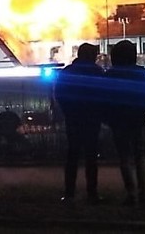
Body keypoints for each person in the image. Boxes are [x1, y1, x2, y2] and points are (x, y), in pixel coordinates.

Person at [103, 40, 145, 206]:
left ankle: (131, 193)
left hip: (118, 121)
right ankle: (144, 192)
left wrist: (108, 118)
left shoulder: (110, 74)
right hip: (137, 119)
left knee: (124, 157)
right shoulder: (142, 73)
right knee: (139, 156)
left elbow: (106, 99)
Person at [54, 42, 105, 204]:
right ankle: (92, 193)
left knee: (72, 157)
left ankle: (69, 193)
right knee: (91, 158)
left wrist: (68, 112)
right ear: (90, 55)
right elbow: (104, 96)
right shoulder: (97, 72)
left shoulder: (67, 72)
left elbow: (59, 94)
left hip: (73, 120)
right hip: (92, 120)